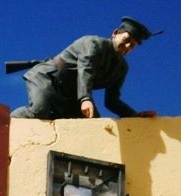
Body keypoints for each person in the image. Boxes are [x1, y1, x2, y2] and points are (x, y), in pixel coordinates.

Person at [10, 17, 157, 119]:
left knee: (93, 124)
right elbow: (85, 68)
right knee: (39, 112)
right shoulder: (93, 43)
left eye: (132, 46)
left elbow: (112, 101)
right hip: (49, 78)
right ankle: (0, 125)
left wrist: (133, 115)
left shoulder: (121, 68)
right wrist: (85, 98)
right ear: (115, 33)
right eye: (126, 41)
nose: (127, 47)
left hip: (72, 94)